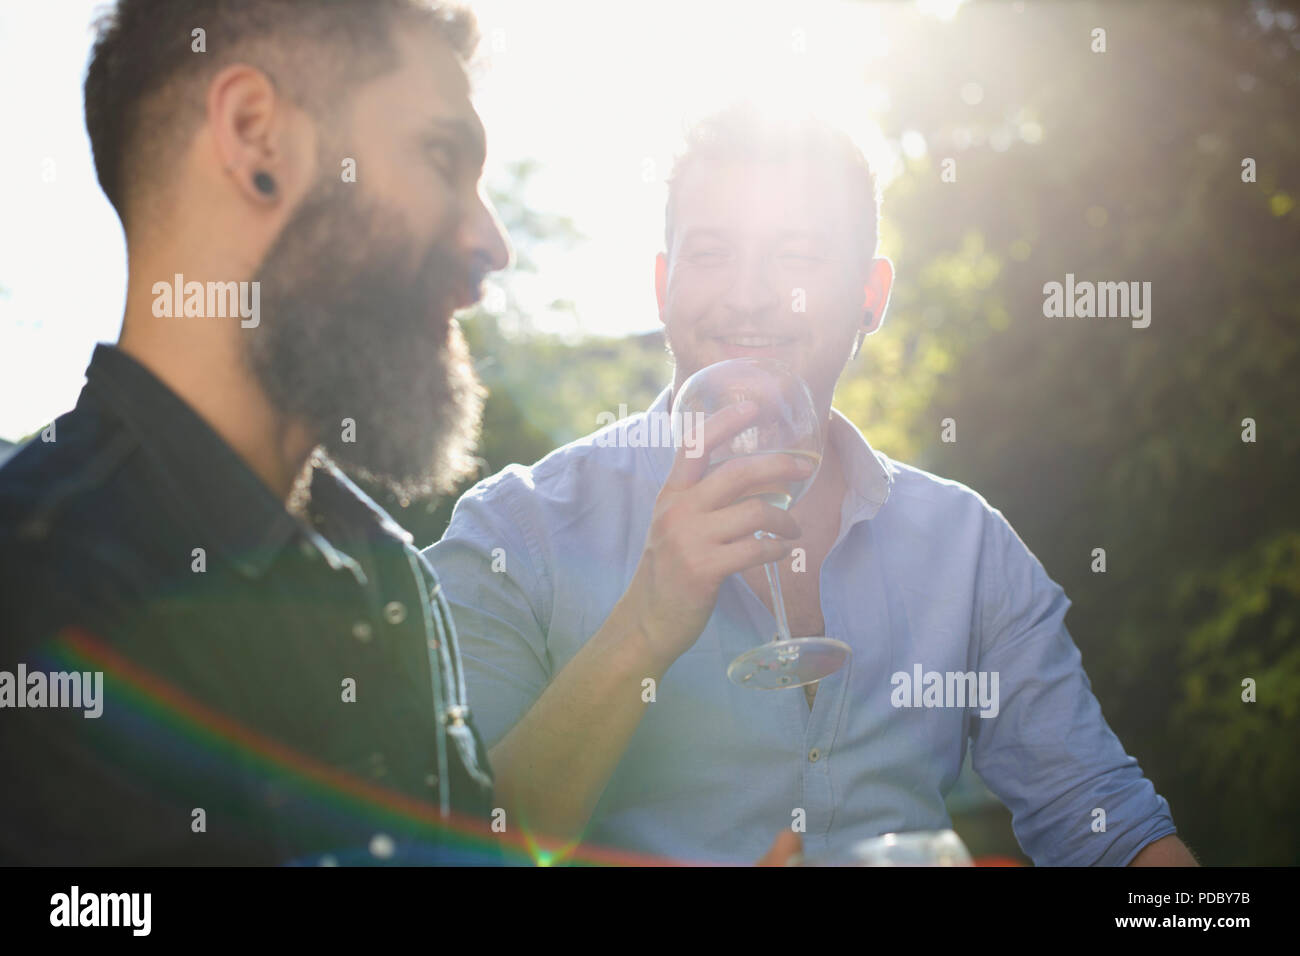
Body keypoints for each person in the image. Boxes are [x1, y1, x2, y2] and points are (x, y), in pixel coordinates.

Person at [425, 102, 1198, 866]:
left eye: (796, 254)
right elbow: (458, 849)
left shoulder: (968, 547)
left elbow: (1107, 829)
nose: (750, 295)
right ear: (664, 288)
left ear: (871, 294)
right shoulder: (514, 534)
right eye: (712, 254)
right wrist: (643, 627)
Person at [0, 0, 511, 865]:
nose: (490, 242)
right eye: (440, 156)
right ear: (255, 139)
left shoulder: (388, 568)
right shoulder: (31, 588)